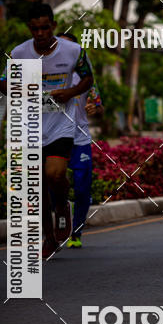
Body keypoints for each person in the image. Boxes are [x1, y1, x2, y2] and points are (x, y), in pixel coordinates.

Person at [0, 3, 93, 257]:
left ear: (53, 26)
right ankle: (49, 238)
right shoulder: (19, 53)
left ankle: (62, 204)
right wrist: (20, 89)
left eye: (45, 27)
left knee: (55, 174)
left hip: (61, 124)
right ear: (29, 28)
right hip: (29, 125)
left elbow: (88, 78)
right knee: (37, 187)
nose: (40, 33)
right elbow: (3, 84)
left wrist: (70, 92)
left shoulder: (73, 51)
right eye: (35, 29)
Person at [59, 32, 103, 248]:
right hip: (53, 138)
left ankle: (76, 231)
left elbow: (99, 105)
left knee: (83, 188)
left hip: (80, 138)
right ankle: (59, 226)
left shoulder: (85, 78)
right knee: (53, 185)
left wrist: (95, 108)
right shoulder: (47, 74)